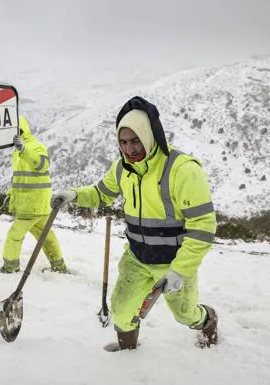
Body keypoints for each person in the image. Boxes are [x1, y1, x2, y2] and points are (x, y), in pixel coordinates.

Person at [51, 96, 217, 350]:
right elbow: (101, 193)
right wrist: (74, 195)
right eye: (123, 142)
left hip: (173, 261)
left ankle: (207, 320)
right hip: (137, 258)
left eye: (136, 140)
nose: (129, 149)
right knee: (121, 310)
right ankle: (128, 353)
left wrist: (180, 271)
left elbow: (203, 226)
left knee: (184, 313)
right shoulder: (122, 168)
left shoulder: (181, 169)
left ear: (150, 135)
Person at [0, 115, 68, 274]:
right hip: (36, 204)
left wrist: (24, 149)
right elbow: (20, 178)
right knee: (46, 237)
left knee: (14, 236)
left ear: (23, 130)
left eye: (17, 130)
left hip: (31, 205)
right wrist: (10, 195)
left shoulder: (35, 146)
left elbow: (43, 164)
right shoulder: (17, 152)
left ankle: (10, 267)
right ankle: (59, 266)